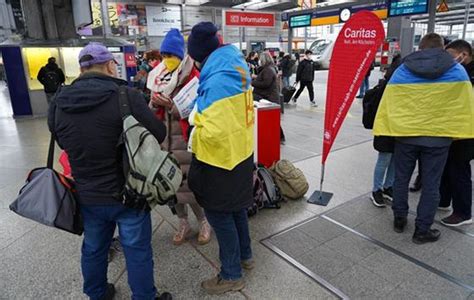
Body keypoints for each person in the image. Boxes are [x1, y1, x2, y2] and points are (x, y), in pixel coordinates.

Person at [48, 42, 171, 300]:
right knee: (136, 249)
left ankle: (97, 293)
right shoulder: (126, 96)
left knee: (93, 248)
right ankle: (144, 296)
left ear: (82, 68)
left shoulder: (59, 101)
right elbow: (159, 133)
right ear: (108, 65)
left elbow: (62, 141)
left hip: (87, 193)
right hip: (129, 192)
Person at [373, 33, 474, 244]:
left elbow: (389, 102)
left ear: (420, 48)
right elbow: (464, 107)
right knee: (431, 184)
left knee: (401, 179)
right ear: (442, 47)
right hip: (438, 138)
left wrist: (390, 128)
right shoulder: (457, 70)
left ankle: (399, 219)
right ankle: (422, 230)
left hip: (405, 135)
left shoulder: (402, 69)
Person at [186, 22, 254, 295]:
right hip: (242, 151)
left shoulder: (215, 81)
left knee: (219, 214)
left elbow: (212, 131)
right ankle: (245, 256)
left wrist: (194, 119)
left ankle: (231, 274)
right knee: (237, 209)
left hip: (221, 159)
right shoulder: (236, 65)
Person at [147, 28, 212, 245]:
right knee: (171, 187)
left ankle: (204, 221)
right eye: (164, 56)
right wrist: (154, 103)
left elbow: (196, 111)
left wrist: (172, 107)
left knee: (190, 187)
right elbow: (152, 113)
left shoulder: (192, 76)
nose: (168, 60)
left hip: (185, 140)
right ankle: (183, 223)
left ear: (181, 55)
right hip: (164, 140)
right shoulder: (157, 76)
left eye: (172, 56)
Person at [438, 39, 474, 226]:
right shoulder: (457, 71)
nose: (449, 59)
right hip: (451, 128)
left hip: (466, 131)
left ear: (464, 55)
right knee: (446, 167)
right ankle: (444, 201)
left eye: (451, 55)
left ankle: (463, 212)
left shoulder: (470, 74)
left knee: (459, 170)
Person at [251, 52, 286, 144]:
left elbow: (265, 83)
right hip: (268, 96)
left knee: (273, 120)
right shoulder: (268, 69)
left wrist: (253, 82)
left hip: (270, 98)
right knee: (273, 120)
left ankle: (280, 137)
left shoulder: (268, 70)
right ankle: (279, 137)